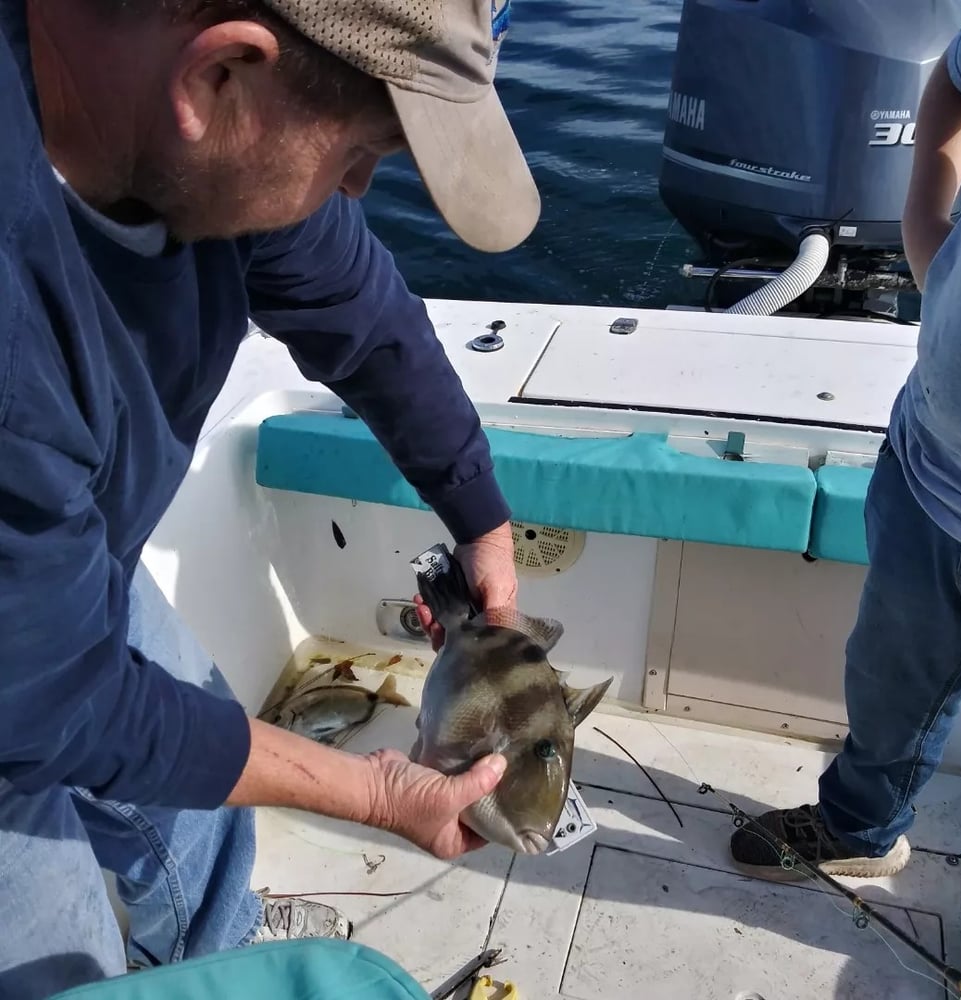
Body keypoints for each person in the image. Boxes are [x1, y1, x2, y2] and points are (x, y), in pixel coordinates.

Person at [0, 0, 540, 996]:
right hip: (22, 670)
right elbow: (57, 704)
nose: (360, 185)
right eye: (361, 146)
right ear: (219, 79)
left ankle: (223, 942)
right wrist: (376, 791)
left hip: (52, 571)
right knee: (62, 955)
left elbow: (365, 316)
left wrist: (481, 514)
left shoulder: (189, 144)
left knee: (197, 775)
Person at [730, 0, 961, 989]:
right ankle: (856, 823)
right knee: (884, 678)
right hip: (929, 460)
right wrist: (929, 226)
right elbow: (960, 78)